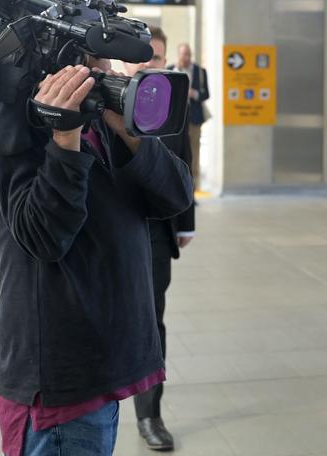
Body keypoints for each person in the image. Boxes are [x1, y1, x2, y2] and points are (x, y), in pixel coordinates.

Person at [0, 0, 193, 455]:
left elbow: (174, 197)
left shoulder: (105, 116)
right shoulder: (5, 130)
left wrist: (131, 133)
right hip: (59, 385)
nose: (101, 64)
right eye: (90, 51)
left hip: (110, 367)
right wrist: (64, 140)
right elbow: (43, 238)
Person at [125, 26, 195, 451]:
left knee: (151, 319)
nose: (150, 65)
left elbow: (183, 161)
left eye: (157, 58)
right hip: (105, 229)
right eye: (144, 57)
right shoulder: (98, 97)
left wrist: (186, 221)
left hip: (152, 229)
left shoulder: (170, 103)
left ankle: (149, 414)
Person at [167, 43, 209, 189]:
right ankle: (178, 186)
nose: (186, 57)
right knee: (176, 153)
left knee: (194, 154)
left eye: (188, 54)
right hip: (176, 120)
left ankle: (193, 189)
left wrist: (194, 94)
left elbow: (206, 94)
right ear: (178, 55)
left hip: (194, 120)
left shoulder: (200, 71)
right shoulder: (171, 70)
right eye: (183, 54)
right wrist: (178, 69)